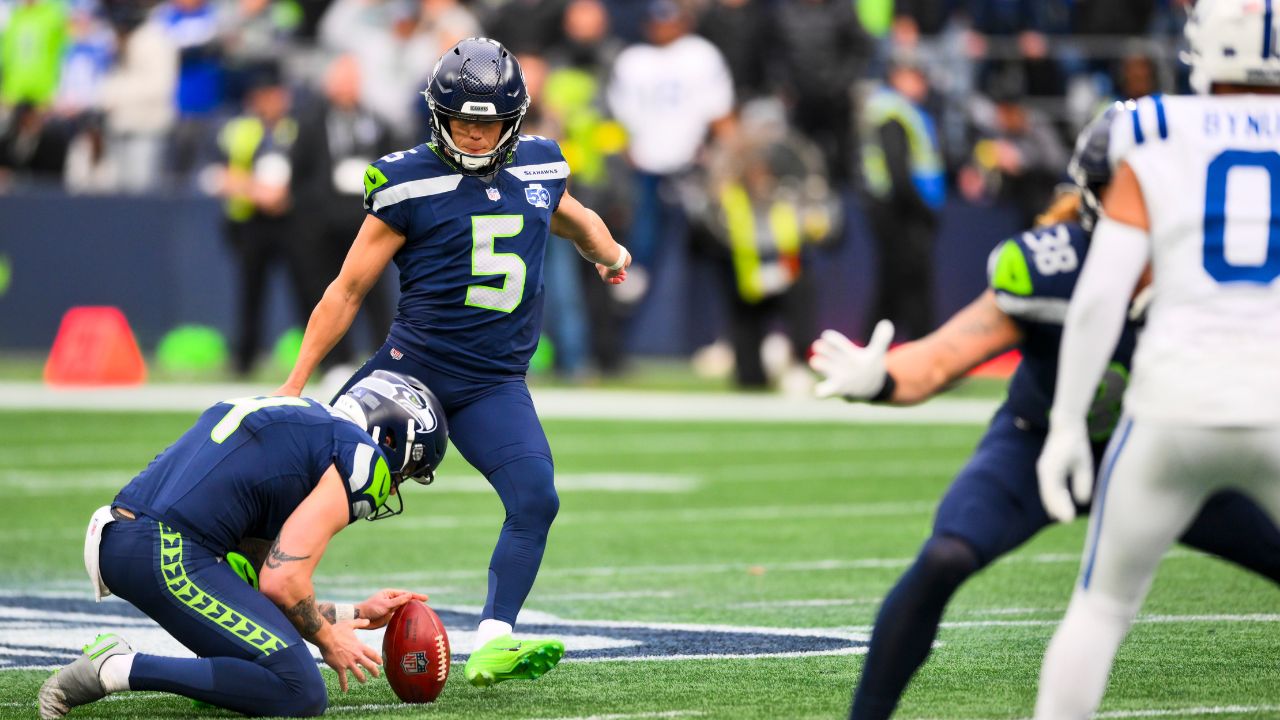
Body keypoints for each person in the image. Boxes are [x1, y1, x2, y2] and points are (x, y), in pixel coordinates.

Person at [808, 103, 1280, 720]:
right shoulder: (1051, 263)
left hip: (1171, 444)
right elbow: (945, 357)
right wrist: (880, 377)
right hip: (1037, 441)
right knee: (946, 555)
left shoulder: (1218, 265)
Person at [273, 37, 630, 687]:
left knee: (536, 498)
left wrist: (609, 254)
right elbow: (347, 290)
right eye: (461, 119)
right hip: (411, 373)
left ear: (514, 120)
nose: (472, 133)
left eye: (486, 121)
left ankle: (494, 638)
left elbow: (572, 217)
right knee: (304, 487)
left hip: (493, 383)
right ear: (437, 115)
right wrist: (294, 383)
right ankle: (250, 600)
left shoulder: (541, 166)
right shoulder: (409, 180)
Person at [1034, 2, 1280, 716]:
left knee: (1102, 608)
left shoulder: (1153, 129)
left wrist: (1067, 423)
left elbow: (1099, 298)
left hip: (1173, 402)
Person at [38, 369, 449, 719]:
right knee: (301, 690)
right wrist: (328, 638)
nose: (395, 483)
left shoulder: (301, 421)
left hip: (136, 539)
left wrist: (352, 612)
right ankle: (117, 668)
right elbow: (282, 581)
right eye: (409, 467)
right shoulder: (361, 456)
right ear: (391, 439)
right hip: (166, 548)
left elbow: (261, 594)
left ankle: (208, 678)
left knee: (260, 633)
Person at [860, 51, 945, 341]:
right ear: (898, 76)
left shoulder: (903, 111)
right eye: (917, 76)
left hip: (901, 210)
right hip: (899, 212)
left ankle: (873, 353)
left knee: (895, 290)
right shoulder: (892, 112)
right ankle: (920, 353)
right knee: (907, 289)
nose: (923, 84)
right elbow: (898, 172)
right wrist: (922, 211)